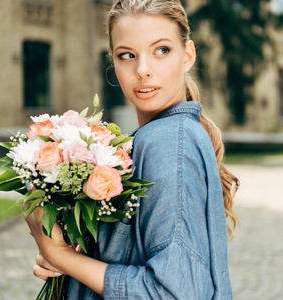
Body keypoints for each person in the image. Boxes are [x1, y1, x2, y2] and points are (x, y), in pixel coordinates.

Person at [23, 0, 240, 299]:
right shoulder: (154, 138)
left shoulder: (169, 140)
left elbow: (174, 293)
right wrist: (72, 259)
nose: (143, 70)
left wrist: (59, 254)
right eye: (127, 55)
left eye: (162, 50)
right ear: (113, 61)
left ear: (188, 55)